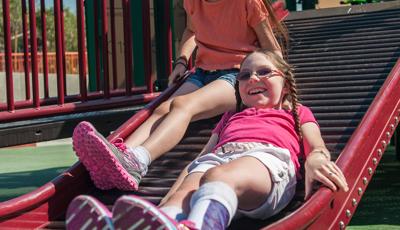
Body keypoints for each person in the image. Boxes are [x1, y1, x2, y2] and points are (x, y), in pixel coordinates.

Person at [66, 50, 349, 230]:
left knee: (218, 175)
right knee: (188, 189)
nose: (253, 79)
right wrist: (171, 194)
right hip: (219, 159)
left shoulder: (296, 112)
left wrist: (315, 158)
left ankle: (201, 225)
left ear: (285, 83)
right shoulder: (231, 115)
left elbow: (316, 143)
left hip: (267, 160)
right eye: (244, 75)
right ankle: (159, 223)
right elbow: (203, 156)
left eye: (264, 72)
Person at [73, 0, 288, 191]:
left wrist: (279, 87)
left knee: (183, 105)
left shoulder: (248, 3)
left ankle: (138, 161)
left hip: (237, 74)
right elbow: (190, 31)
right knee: (162, 109)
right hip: (203, 72)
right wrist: (182, 61)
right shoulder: (194, 2)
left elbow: (272, 48)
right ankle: (120, 155)